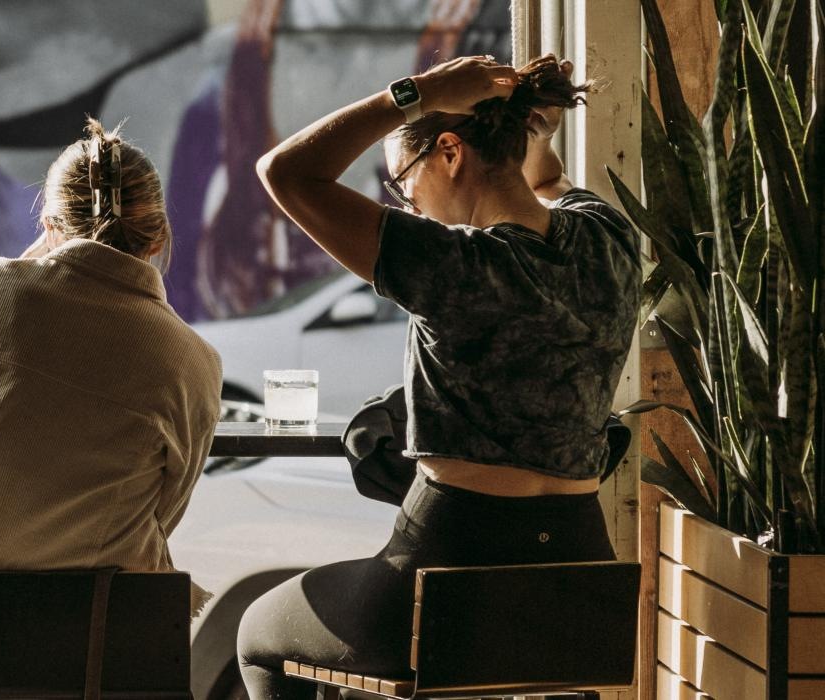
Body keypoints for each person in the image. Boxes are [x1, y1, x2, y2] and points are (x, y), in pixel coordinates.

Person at [233, 54, 637, 699]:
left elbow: (285, 172)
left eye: (401, 181)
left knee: (257, 633)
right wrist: (529, 126)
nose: (407, 200)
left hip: (446, 566)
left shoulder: (449, 263)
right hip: (578, 572)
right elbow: (549, 176)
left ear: (450, 152)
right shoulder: (609, 239)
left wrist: (414, 95)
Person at [0, 118, 224, 677]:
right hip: (105, 630)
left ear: (48, 222)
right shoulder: (192, 360)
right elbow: (168, 507)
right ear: (160, 235)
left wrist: (35, 264)